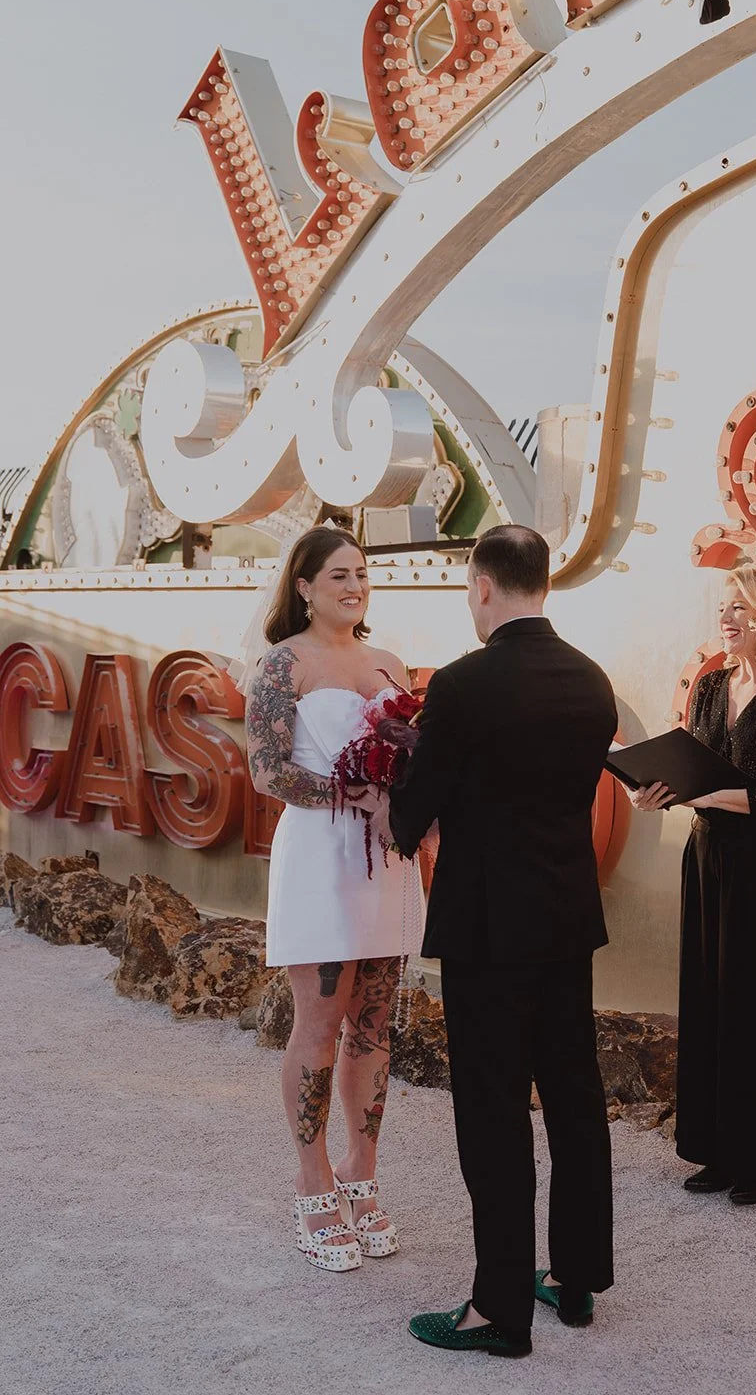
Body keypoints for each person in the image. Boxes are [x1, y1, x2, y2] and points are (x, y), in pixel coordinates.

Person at [380, 524, 618, 1359]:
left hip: (487, 925)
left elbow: (418, 805)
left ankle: (497, 1311)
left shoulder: (464, 682)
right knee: (573, 1095)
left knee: (492, 1112)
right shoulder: (591, 682)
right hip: (564, 916)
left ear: (482, 586)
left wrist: (395, 802)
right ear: (540, 583)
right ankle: (576, 1277)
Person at [245, 525, 424, 1272]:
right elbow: (267, 772)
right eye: (338, 575)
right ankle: (311, 1181)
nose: (354, 586)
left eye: (361, 574)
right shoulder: (281, 666)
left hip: (386, 861)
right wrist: (353, 793)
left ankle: (362, 1168)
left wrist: (406, 798)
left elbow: (416, 759)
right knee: (318, 1026)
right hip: (320, 856)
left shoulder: (388, 663)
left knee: (375, 1024)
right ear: (305, 585)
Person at [631, 566, 756, 1206]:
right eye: (724, 607)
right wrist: (654, 792)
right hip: (707, 855)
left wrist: (712, 793)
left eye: (741, 607)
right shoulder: (712, 686)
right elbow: (693, 763)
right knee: (708, 997)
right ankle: (714, 1147)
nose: (727, 618)